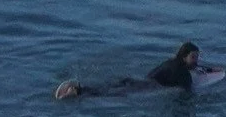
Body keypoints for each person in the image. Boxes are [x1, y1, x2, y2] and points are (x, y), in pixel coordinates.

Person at [55, 42, 211, 99]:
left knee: (109, 87)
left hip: (137, 80)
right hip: (146, 87)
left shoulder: (170, 62)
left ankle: (78, 88)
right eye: (193, 57)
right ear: (184, 57)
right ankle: (76, 93)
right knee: (110, 94)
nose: (196, 60)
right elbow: (187, 91)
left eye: (197, 56)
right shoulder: (183, 73)